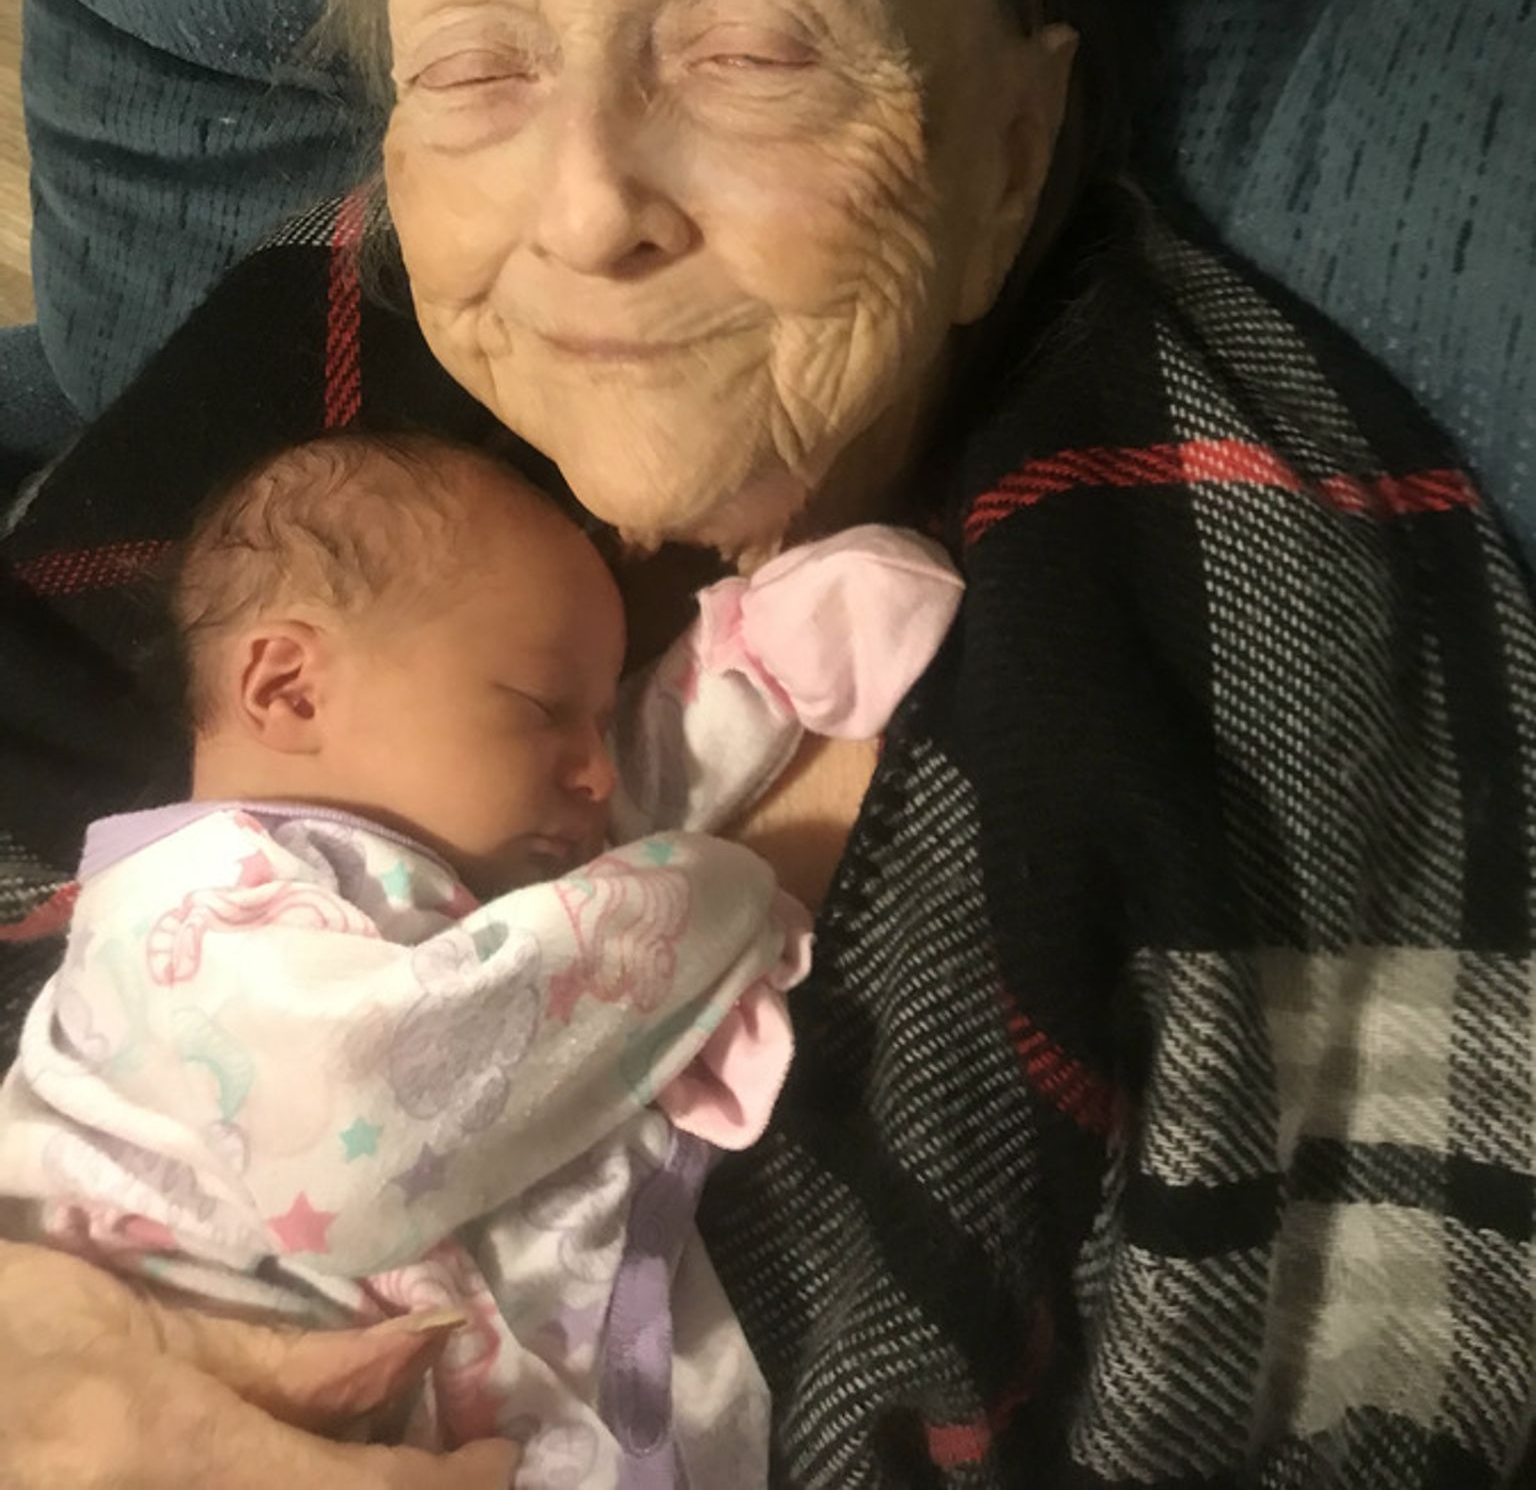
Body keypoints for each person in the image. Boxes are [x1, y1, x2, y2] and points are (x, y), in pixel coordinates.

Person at [0, 0, 1532, 1490]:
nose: (584, 207)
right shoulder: (321, 373)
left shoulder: (1252, 600)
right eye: (472, 67)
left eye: (743, 50)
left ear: (1006, 148)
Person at [0, 428, 961, 1484]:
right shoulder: (185, 915)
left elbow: (615, 822)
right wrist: (714, 900)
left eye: (602, 716)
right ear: (289, 689)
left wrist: (762, 667)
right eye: (547, 710)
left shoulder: (443, 850)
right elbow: (359, 1123)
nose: (596, 770)